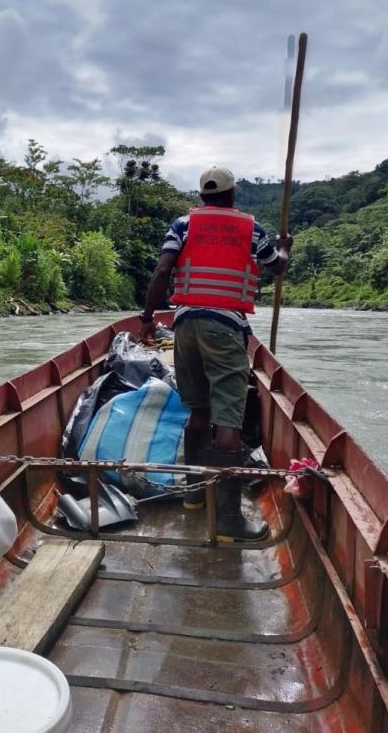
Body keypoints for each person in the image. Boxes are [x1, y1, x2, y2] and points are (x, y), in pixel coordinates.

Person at [139, 165, 292, 541]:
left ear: (201, 196)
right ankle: (227, 522)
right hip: (225, 326)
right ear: (233, 195)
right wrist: (285, 245)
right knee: (228, 420)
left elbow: (162, 271)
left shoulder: (182, 225)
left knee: (198, 410)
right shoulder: (250, 229)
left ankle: (194, 497)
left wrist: (146, 317)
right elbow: (277, 267)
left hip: (185, 323)